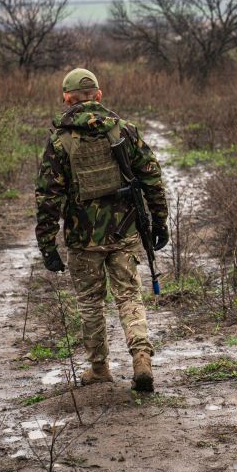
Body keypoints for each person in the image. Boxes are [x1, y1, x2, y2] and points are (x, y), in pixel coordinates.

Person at [35, 68, 169, 392]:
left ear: (66, 99)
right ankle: (141, 358)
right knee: (129, 296)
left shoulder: (60, 141)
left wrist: (48, 245)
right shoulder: (123, 131)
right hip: (123, 234)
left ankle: (99, 368)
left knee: (90, 302)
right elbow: (151, 176)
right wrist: (159, 220)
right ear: (99, 95)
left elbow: (48, 197)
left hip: (83, 240)